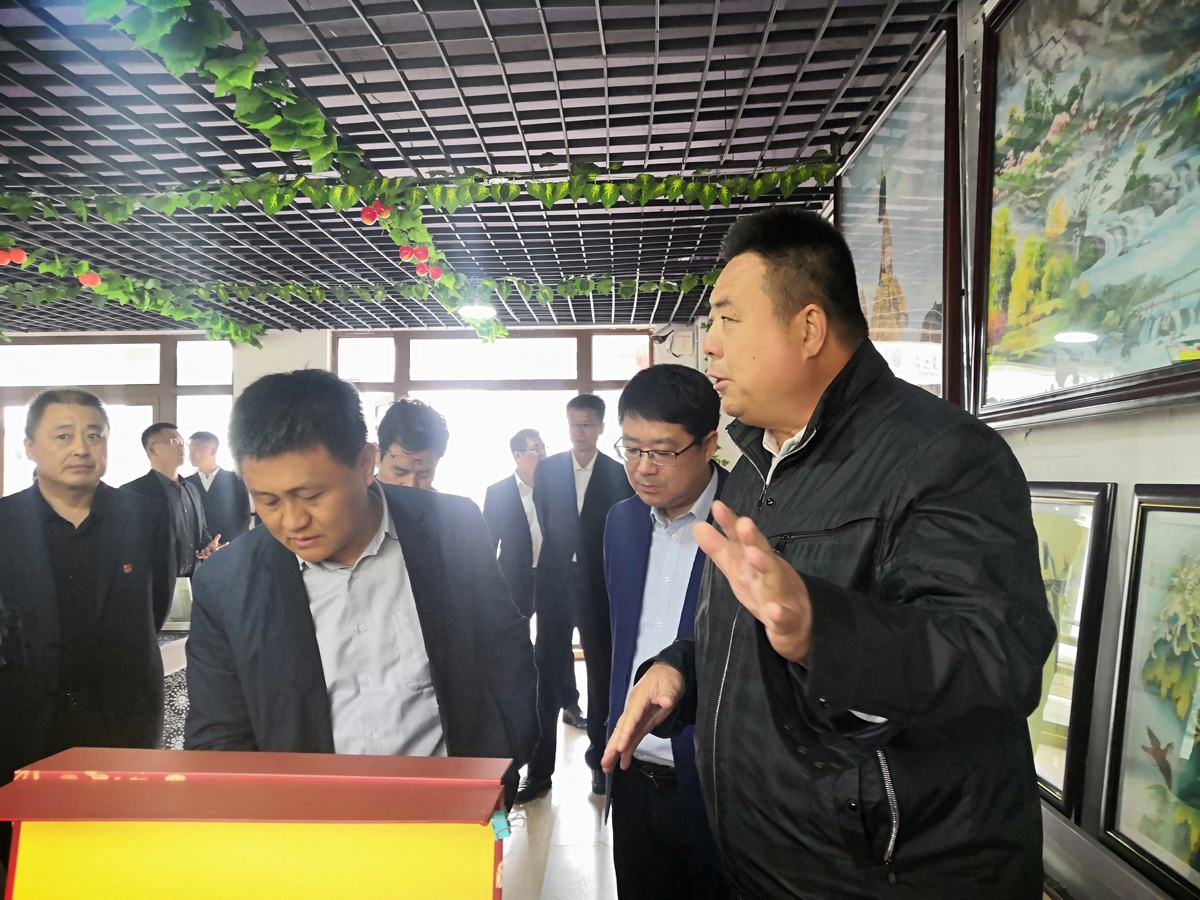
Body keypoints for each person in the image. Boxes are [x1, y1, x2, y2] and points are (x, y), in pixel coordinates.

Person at [603, 207, 1056, 899]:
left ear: (808, 328)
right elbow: (751, 633)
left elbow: (999, 659)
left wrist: (822, 630)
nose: (709, 347)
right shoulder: (757, 468)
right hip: (766, 866)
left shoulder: (943, 457)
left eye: (728, 320)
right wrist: (680, 669)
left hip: (885, 877)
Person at [184, 370, 538, 806]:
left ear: (366, 463)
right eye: (268, 501)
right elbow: (218, 736)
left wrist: (502, 764)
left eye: (312, 496)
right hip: (307, 821)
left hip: (456, 807)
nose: (292, 521)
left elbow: (505, 647)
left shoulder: (452, 526)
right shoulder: (227, 581)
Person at [0, 390, 172, 866]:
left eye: (94, 435)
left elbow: (154, 606)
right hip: (22, 721)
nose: (81, 447)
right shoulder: (4, 523)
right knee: (24, 859)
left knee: (118, 857)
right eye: (63, 436)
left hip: (122, 718)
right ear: (30, 446)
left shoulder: (147, 516)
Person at [604, 365, 729, 900]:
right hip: (632, 776)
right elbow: (619, 642)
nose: (642, 468)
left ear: (709, 444)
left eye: (662, 451)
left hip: (719, 787)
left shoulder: (746, 522)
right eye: (631, 449)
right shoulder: (622, 522)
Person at [520, 395, 634, 802]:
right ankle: (539, 772)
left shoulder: (617, 474)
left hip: (597, 584)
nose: (579, 432)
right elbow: (544, 515)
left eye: (586, 425)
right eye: (573, 425)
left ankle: (600, 764)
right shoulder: (548, 469)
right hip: (554, 582)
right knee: (546, 674)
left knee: (601, 674)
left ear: (601, 427)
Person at [483, 429, 586, 727]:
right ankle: (516, 706)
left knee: (559, 643)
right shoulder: (499, 492)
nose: (542, 453)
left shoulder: (557, 489)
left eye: (543, 447)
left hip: (554, 578)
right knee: (514, 643)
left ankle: (570, 705)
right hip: (516, 579)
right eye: (534, 449)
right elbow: (488, 542)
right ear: (517, 455)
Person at [122, 422, 222, 577]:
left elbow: (201, 531)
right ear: (153, 449)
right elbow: (126, 546)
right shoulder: (132, 492)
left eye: (182, 441)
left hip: (193, 580)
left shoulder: (191, 489)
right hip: (155, 582)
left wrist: (207, 546)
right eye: (174, 440)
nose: (181, 445)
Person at [185, 431, 251, 543]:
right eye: (190, 449)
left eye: (197, 448)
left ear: (213, 450)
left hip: (230, 546)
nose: (192, 453)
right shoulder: (186, 483)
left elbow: (244, 516)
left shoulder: (235, 479)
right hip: (197, 548)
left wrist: (227, 544)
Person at [376, 398, 448, 489]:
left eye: (424, 474)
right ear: (376, 456)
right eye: (400, 471)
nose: (411, 485)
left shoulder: (446, 499)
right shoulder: (358, 497)